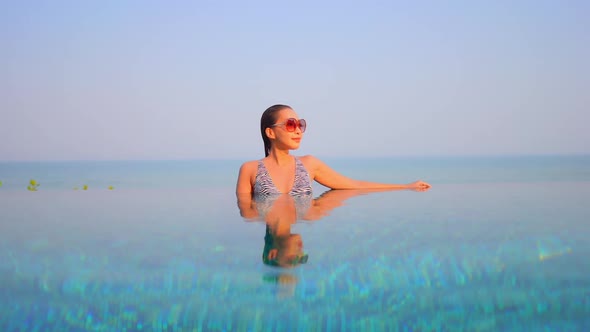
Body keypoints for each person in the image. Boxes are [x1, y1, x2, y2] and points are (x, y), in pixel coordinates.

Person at [236, 104, 431, 196]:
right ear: (270, 132)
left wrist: (406, 186)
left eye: (300, 124)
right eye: (290, 124)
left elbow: (353, 184)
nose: (298, 130)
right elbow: (246, 212)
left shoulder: (309, 164)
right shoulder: (250, 170)